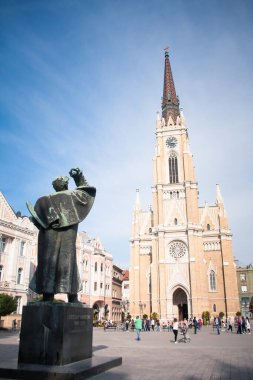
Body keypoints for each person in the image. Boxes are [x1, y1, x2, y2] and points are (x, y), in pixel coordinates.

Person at [27, 168, 96, 302]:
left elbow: (86, 192)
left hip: (63, 236)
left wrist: (79, 177)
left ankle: (61, 295)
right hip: (52, 236)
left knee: (61, 262)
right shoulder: (49, 199)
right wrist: (79, 177)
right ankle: (65, 296)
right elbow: (37, 220)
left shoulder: (48, 199)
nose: (57, 183)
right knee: (56, 262)